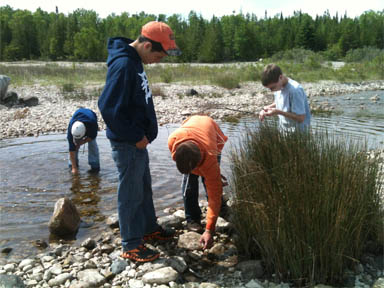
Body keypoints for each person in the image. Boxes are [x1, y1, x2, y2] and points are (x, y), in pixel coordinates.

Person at [98, 21, 181, 262]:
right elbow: (108, 108)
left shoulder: (135, 60)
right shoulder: (124, 65)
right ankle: (131, 245)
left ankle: (148, 229)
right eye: (158, 55)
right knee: (130, 193)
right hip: (128, 143)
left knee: (143, 188)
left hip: (137, 142)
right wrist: (135, 137)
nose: (159, 60)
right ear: (146, 45)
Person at [168, 115, 228, 250]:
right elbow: (189, 168)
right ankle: (192, 218)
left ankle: (220, 208)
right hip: (190, 126)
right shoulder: (173, 140)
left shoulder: (210, 156)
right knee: (189, 183)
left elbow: (214, 195)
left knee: (213, 189)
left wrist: (209, 230)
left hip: (212, 132)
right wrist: (207, 174)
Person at [259, 64, 311, 131]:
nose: (271, 91)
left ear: (280, 77)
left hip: (298, 134)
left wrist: (278, 112)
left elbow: (301, 118)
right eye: (269, 88)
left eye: (272, 87)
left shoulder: (295, 91)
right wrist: (266, 108)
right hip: (284, 131)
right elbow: (281, 101)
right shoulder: (278, 86)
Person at [67, 108, 100, 174]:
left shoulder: (92, 124)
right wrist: (74, 168)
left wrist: (81, 142)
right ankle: (72, 165)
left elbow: (92, 137)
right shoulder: (71, 129)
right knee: (74, 146)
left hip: (91, 115)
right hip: (78, 115)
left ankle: (95, 165)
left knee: (92, 144)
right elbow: (71, 149)